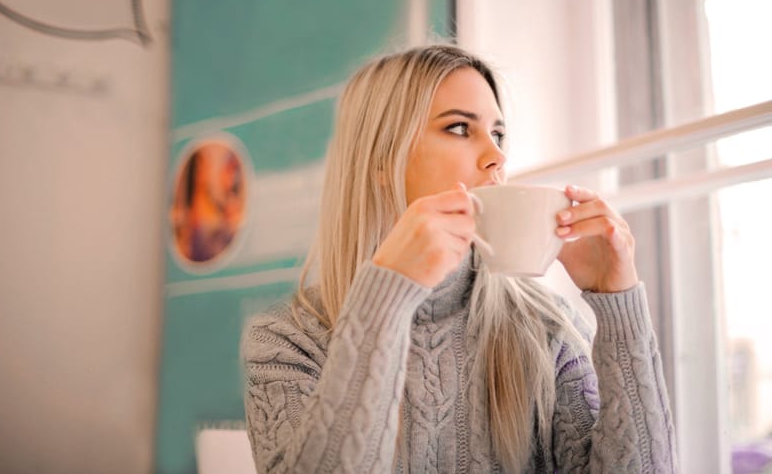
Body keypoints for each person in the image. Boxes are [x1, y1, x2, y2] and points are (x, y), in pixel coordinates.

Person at [242, 45, 678, 473]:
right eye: (458, 128)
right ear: (380, 159)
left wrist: (619, 306)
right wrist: (387, 296)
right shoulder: (285, 341)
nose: (497, 157)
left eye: (498, 134)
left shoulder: (547, 328)